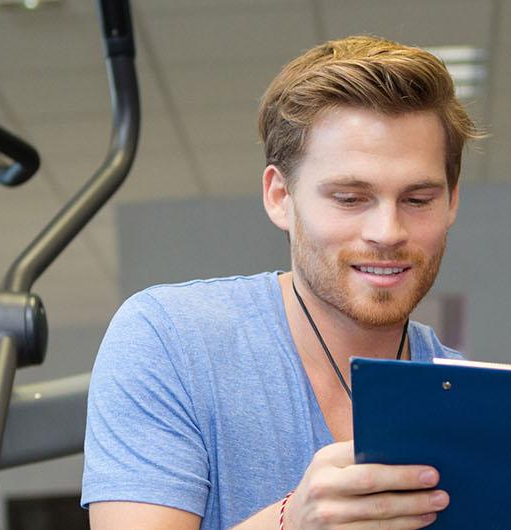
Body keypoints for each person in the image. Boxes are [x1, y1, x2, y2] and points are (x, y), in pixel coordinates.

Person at [81, 35, 481, 530]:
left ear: (452, 201)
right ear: (279, 197)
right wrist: (293, 523)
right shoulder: (170, 340)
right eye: (350, 198)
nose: (387, 233)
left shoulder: (471, 393)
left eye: (418, 200)